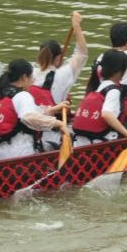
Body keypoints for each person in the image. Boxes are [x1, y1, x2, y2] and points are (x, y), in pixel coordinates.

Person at [0, 59, 69, 161]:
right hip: (16, 159)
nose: (33, 81)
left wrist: (52, 110)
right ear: (24, 77)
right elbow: (29, 117)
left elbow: (30, 112)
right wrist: (59, 124)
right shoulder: (22, 95)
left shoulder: (0, 98)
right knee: (54, 147)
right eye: (31, 77)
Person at [73, 50, 127, 147]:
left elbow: (118, 111)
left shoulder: (100, 86)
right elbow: (107, 114)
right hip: (99, 147)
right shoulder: (113, 90)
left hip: (80, 143)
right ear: (120, 71)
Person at [32, 11, 88, 151]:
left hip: (30, 134)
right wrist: (77, 26)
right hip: (53, 135)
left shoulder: (29, 74)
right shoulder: (62, 74)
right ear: (58, 58)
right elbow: (82, 53)